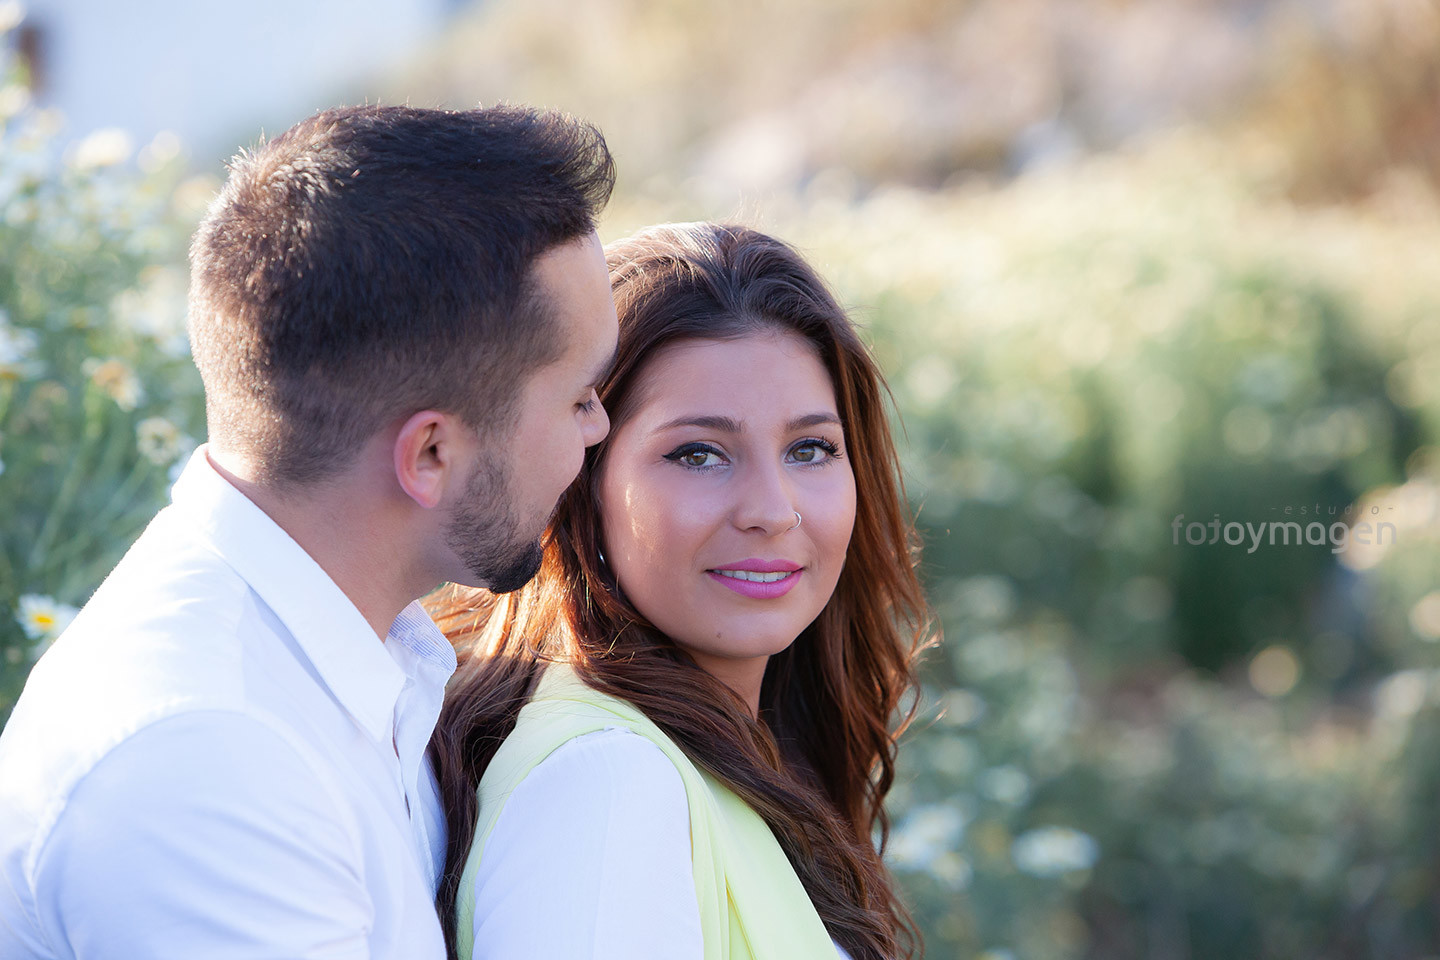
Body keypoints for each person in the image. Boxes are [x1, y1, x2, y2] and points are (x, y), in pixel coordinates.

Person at [0, 104, 618, 960]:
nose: (600, 429)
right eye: (580, 396)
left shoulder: (357, 656)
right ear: (431, 453)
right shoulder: (206, 763)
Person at [429, 222, 931, 960]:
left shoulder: (713, 758)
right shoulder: (607, 784)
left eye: (811, 448)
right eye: (698, 453)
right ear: (581, 483)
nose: (772, 508)